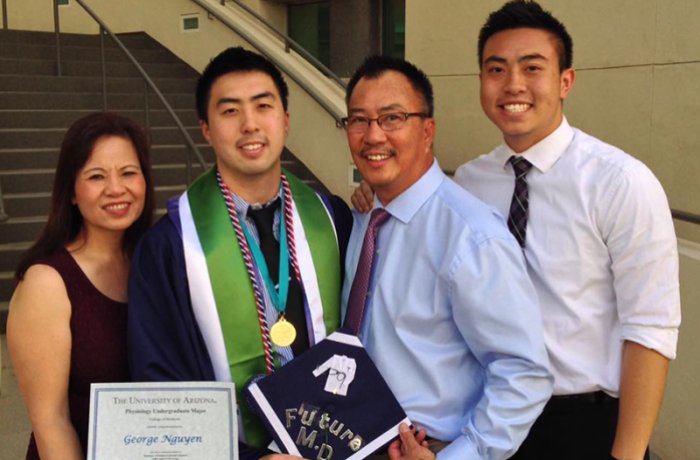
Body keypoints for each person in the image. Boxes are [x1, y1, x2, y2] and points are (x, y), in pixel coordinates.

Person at [127, 47, 352, 459]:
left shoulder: (333, 220)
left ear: (285, 121)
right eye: (230, 111)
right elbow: (159, 385)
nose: (250, 124)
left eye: (263, 106)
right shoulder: (171, 248)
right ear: (206, 129)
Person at [340, 55, 552, 460]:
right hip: (354, 443)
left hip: (429, 447)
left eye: (392, 118)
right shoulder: (365, 219)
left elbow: (524, 373)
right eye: (358, 120)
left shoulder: (471, 236)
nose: (373, 135)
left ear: (427, 130)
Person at [7, 112, 154, 460]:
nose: (116, 189)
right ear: (71, 191)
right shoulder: (47, 282)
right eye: (96, 176)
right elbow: (50, 421)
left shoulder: (152, 263)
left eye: (129, 173)